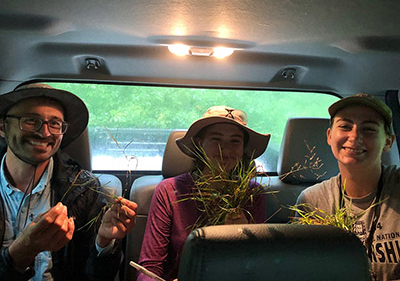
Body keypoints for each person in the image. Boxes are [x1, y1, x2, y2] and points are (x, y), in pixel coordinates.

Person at [0, 83, 138, 280]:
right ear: (2, 127)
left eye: (55, 124)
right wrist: (22, 252)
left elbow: (96, 277)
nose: (45, 133)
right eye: (31, 120)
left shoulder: (84, 189)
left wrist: (104, 242)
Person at [137, 106, 270, 281]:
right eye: (216, 140)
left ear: (243, 148)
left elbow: (258, 266)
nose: (226, 150)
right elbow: (149, 268)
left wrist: (243, 237)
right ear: (200, 143)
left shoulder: (252, 194)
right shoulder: (169, 191)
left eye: (235, 141)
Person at [296, 93, 399, 281]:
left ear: (388, 141)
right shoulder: (311, 201)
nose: (355, 136)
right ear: (329, 136)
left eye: (368, 129)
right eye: (345, 126)